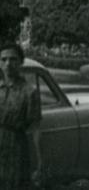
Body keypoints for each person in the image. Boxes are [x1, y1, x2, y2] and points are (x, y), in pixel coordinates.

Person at [0, 42, 41, 190]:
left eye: (13, 59)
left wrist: (38, 159)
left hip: (16, 148)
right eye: (3, 59)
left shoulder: (29, 92)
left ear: (21, 62)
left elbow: (34, 127)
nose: (8, 64)